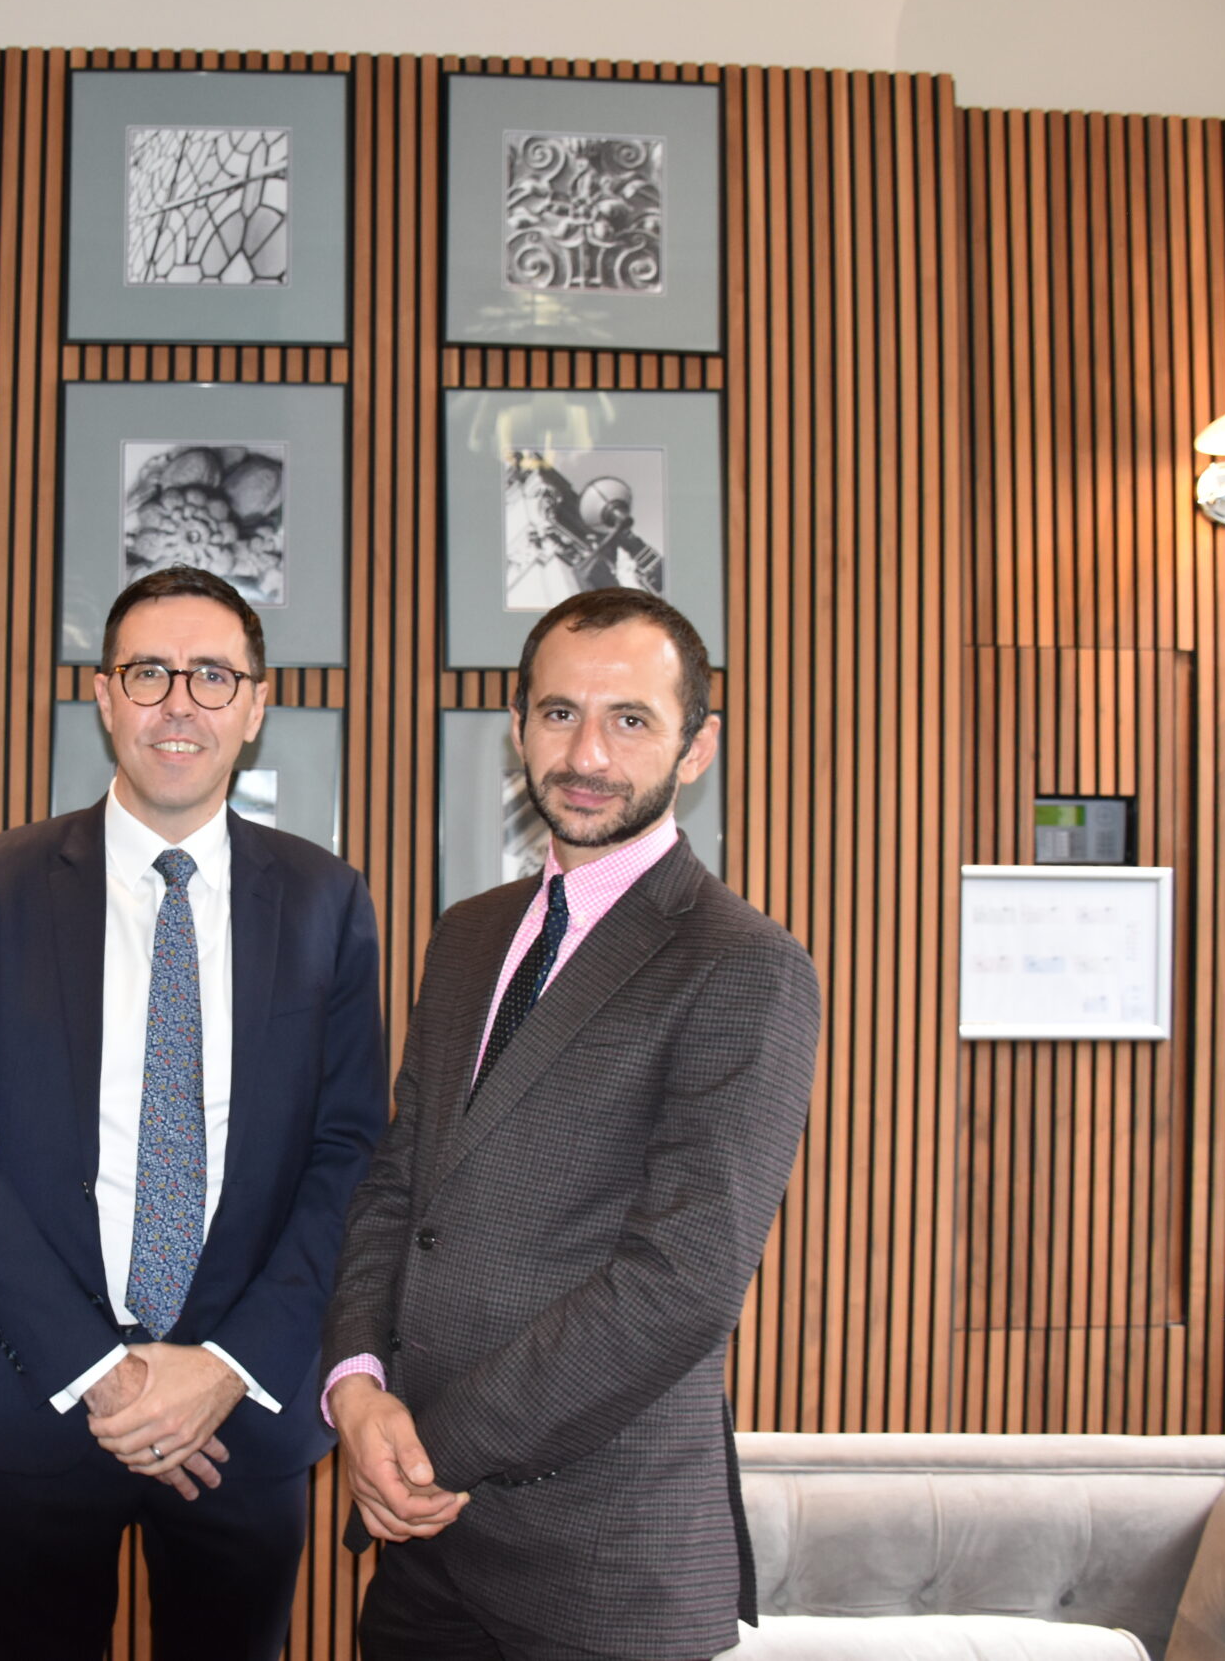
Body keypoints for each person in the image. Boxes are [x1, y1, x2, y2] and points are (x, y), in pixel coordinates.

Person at [320, 586, 822, 1661]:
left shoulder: (744, 967)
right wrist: (357, 1388)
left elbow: (680, 1281)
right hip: (421, 1558)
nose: (586, 752)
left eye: (630, 719)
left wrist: (425, 1450)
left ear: (696, 748)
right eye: (557, 714)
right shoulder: (466, 937)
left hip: (601, 1568)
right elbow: (398, 1186)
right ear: (516, 729)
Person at [0, 565, 388, 1661]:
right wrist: (106, 1373)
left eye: (213, 675)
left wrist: (222, 1367)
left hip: (244, 1409)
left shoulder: (327, 901)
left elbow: (348, 1151)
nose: (180, 701)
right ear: (103, 694)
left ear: (257, 703)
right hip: (38, 1394)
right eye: (148, 672)